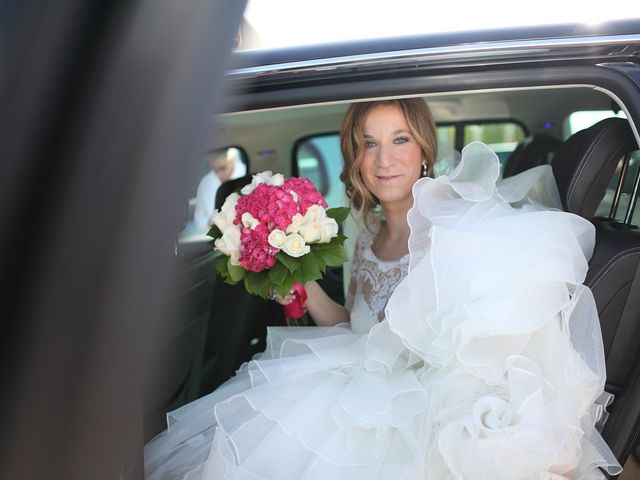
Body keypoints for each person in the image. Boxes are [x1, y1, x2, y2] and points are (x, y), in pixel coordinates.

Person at [145, 99, 621, 479]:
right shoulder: (365, 231)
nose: (384, 159)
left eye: (400, 140)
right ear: (355, 157)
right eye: (368, 144)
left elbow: (475, 354)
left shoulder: (452, 234)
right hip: (355, 372)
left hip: (415, 402)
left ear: (423, 151)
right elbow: (352, 326)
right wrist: (301, 280)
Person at [194, 147, 247, 232]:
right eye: (215, 171)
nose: (220, 175)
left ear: (231, 160)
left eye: (222, 168)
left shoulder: (246, 174)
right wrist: (211, 223)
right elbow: (199, 216)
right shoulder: (205, 183)